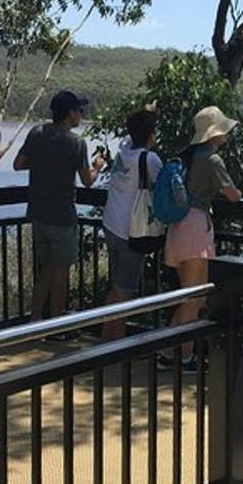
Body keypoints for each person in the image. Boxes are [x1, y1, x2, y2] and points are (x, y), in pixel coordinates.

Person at [14, 89, 106, 322]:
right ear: (70, 114)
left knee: (45, 271)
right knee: (61, 274)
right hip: (62, 217)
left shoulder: (37, 133)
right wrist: (98, 166)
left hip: (37, 214)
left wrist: (43, 164)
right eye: (79, 111)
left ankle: (34, 322)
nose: (81, 115)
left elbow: (19, 163)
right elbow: (87, 180)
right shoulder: (76, 143)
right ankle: (56, 325)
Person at [162, 106, 242, 370]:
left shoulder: (188, 156)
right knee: (195, 299)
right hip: (196, 228)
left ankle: (169, 352)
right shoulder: (211, 159)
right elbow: (233, 195)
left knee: (188, 297)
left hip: (179, 227)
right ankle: (179, 355)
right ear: (214, 133)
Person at [100, 107, 162, 339]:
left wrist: (145, 111)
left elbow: (130, 135)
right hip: (132, 232)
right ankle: (114, 342)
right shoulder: (150, 159)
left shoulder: (124, 151)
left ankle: (108, 337)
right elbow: (164, 186)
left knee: (116, 286)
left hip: (111, 225)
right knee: (123, 291)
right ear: (150, 135)